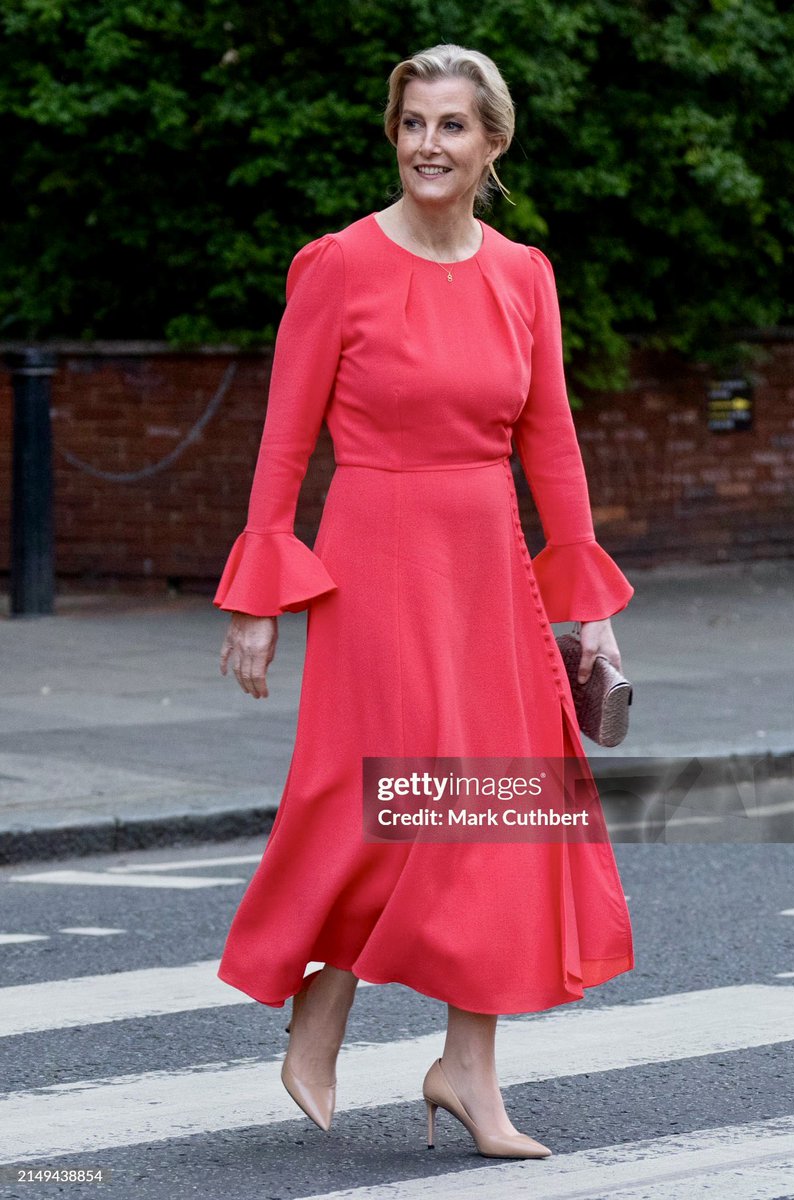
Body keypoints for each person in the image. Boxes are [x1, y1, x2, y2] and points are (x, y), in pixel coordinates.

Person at [214, 43, 635, 1159]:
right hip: (374, 559)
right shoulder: (338, 265)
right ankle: (326, 1000)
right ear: (393, 135)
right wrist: (259, 592)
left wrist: (587, 604)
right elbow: (285, 438)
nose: (428, 146)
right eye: (413, 124)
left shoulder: (524, 274)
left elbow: (551, 444)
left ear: (492, 142)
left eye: (452, 126)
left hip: (485, 558)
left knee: (494, 811)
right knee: (389, 802)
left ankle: (468, 1069)